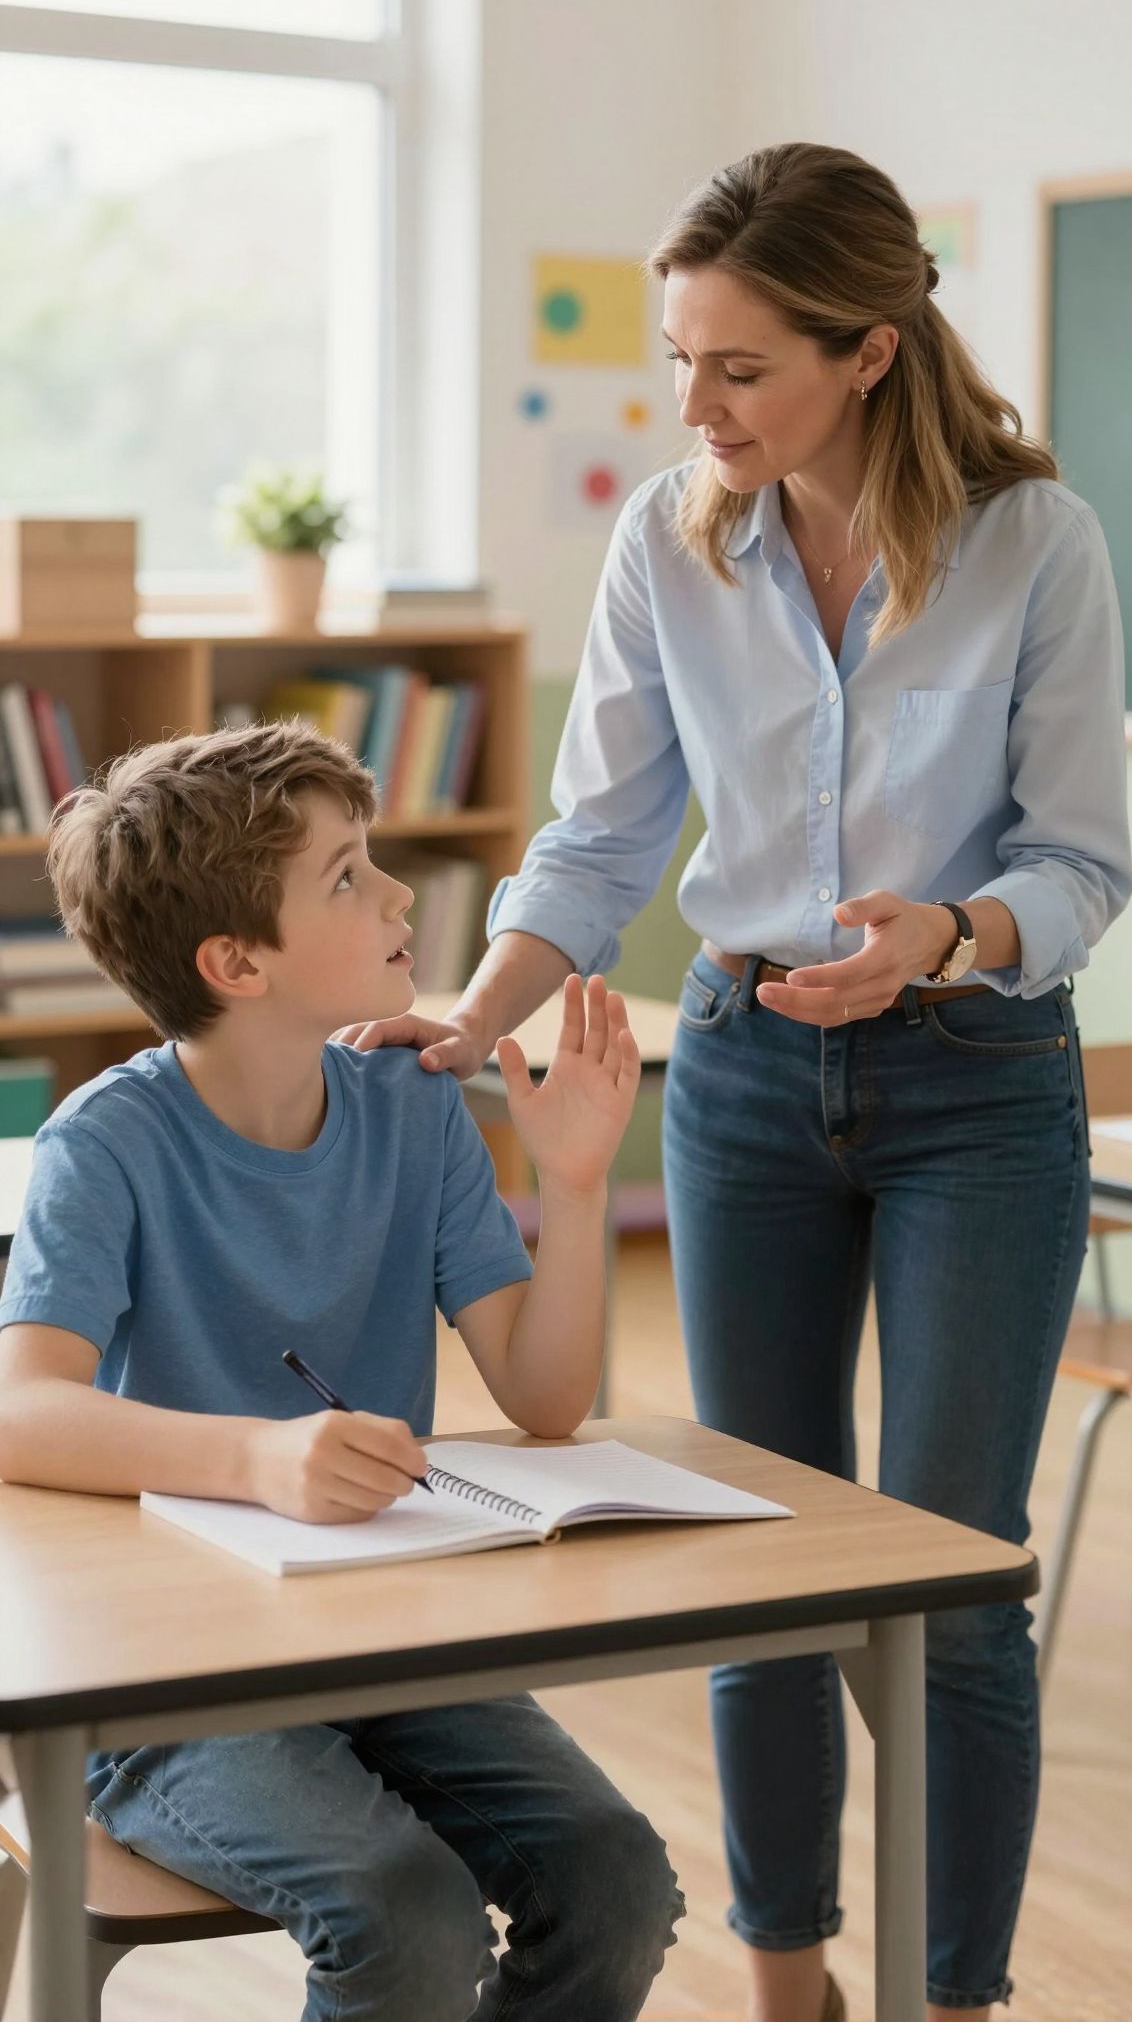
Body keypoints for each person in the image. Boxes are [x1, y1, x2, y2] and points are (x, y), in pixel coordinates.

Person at [339, 144, 1132, 2021]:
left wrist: (940, 939)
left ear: (869, 350)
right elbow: (599, 839)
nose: (692, 409)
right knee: (753, 1561)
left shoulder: (1039, 542)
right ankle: (791, 1981)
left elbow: (1083, 866)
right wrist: (474, 1014)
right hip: (747, 1078)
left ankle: (958, 1998)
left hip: (976, 1080)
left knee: (948, 1583)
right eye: (678, 362)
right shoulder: (673, 538)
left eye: (737, 368)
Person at [0, 720, 685, 2022]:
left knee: (614, 1883)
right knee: (406, 1915)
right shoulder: (109, 1143)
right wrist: (259, 1458)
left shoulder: (414, 1102)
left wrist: (578, 1185)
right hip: (168, 1678)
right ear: (235, 961)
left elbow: (543, 1401)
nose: (393, 894)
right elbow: (19, 1410)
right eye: (348, 876)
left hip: (384, 1640)